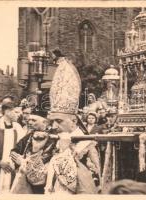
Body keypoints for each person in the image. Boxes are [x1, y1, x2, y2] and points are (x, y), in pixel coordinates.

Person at [45, 55, 100, 194]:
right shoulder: (53, 140)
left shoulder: (87, 146)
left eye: (59, 121)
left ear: (74, 121)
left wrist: (64, 152)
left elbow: (85, 184)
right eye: (52, 121)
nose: (54, 126)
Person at [10, 114, 56, 194]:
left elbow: (49, 158)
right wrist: (20, 160)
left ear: (45, 122)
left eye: (34, 120)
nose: (30, 122)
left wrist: (24, 162)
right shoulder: (30, 135)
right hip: (26, 179)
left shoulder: (54, 137)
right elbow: (15, 151)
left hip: (46, 179)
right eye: (29, 120)